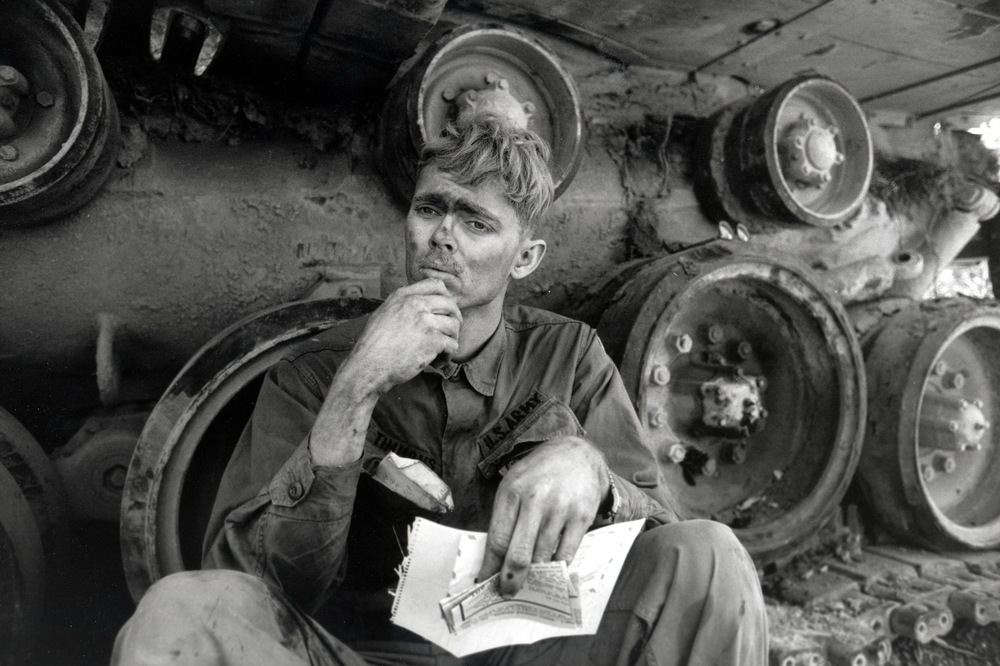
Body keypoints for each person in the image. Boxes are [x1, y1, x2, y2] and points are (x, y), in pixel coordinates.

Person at [112, 119, 767, 665]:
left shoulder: (571, 356)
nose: (443, 236)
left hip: (533, 652)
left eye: (476, 223)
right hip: (355, 655)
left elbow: (659, 528)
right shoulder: (317, 370)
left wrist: (595, 474)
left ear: (526, 258)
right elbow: (258, 583)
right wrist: (358, 386)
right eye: (430, 209)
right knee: (180, 613)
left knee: (709, 558)